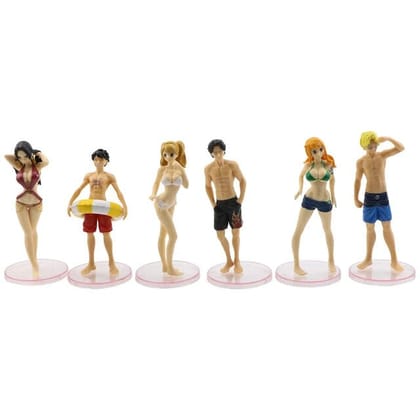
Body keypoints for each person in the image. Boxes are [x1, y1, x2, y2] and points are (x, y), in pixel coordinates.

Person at [67, 149, 127, 275]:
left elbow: (118, 192)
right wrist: (70, 202)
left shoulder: (109, 177)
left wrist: (125, 206)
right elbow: (79, 189)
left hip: (103, 208)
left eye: (101, 159)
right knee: (89, 233)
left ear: (106, 161)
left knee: (106, 234)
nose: (98, 162)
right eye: (96, 159)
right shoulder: (89, 175)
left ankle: (112, 263)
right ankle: (91, 263)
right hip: (90, 208)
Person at [354, 131, 404, 271]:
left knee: (387, 227)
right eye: (370, 147)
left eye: (375, 146)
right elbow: (357, 180)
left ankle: (394, 260)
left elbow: (401, 148)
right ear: (364, 146)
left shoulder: (382, 155)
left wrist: (387, 138)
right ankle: (368, 258)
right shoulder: (361, 162)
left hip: (382, 196)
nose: (373, 149)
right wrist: (355, 198)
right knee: (370, 228)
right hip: (369, 197)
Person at [292, 137, 337, 275]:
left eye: (320, 149)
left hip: (324, 200)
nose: (319, 153)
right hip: (309, 199)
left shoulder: (328, 164)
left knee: (327, 230)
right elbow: (300, 176)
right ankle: (296, 265)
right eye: (315, 151)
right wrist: (300, 189)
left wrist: (334, 196)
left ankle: (331, 260)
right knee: (298, 230)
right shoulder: (308, 165)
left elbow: (332, 180)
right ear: (310, 153)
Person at [5, 141, 49, 278]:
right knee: (28, 232)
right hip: (21, 203)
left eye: (25, 156)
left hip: (36, 203)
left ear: (30, 154)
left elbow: (46, 161)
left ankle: (34, 259)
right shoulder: (19, 166)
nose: (23, 159)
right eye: (20, 157)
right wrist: (19, 155)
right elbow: (6, 156)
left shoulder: (38, 166)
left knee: (33, 231)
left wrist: (36, 152)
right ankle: (34, 265)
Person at [205, 139, 246, 273]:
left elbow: (242, 180)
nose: (218, 154)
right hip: (219, 205)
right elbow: (207, 186)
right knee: (220, 234)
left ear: (224, 151)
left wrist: (240, 200)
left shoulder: (232, 165)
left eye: (220, 151)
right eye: (215, 152)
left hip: (233, 203)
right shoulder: (208, 169)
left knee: (236, 232)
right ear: (211, 153)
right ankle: (229, 260)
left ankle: (237, 260)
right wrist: (213, 204)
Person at [149, 141, 188, 275]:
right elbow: (155, 183)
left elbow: (187, 185)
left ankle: (165, 266)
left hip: (172, 203)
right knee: (173, 236)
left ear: (177, 154)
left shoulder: (179, 169)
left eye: (171, 154)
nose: (167, 157)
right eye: (165, 154)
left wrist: (182, 170)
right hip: (161, 203)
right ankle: (170, 267)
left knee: (163, 233)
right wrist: (153, 194)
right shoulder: (162, 169)